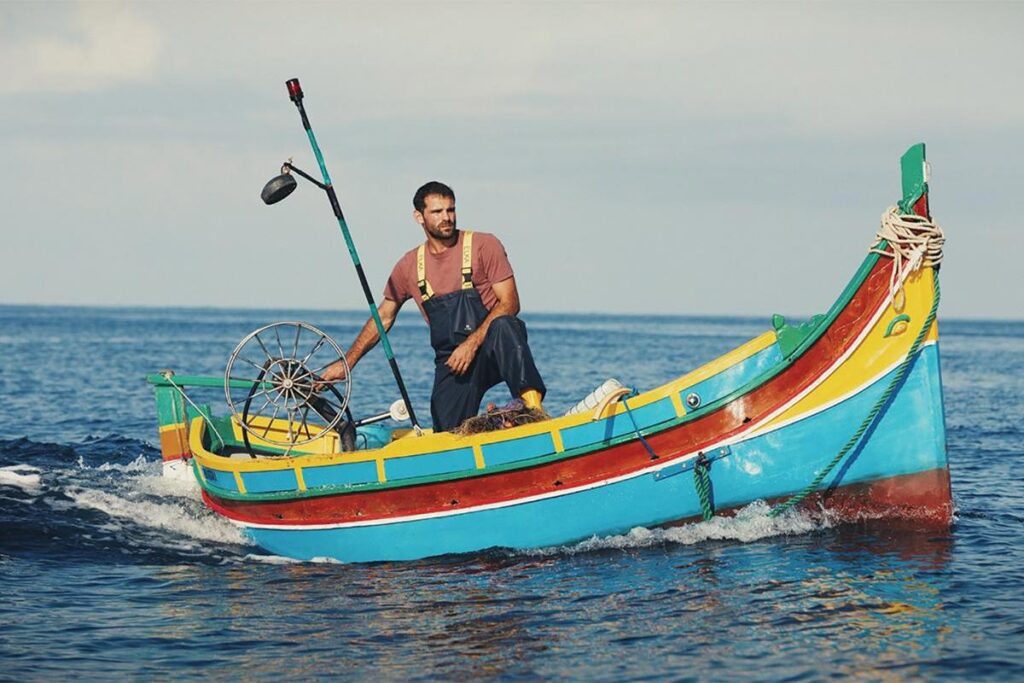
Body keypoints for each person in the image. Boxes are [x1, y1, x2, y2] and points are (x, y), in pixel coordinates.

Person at [320, 181, 546, 432]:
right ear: (419, 216)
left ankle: (534, 413)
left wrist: (471, 344)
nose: (446, 218)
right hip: (453, 362)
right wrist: (347, 363)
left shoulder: (484, 245)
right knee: (448, 432)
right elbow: (383, 317)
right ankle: (495, 422)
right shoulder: (409, 265)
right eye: (437, 212)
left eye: (451, 210)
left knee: (506, 326)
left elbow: (510, 303)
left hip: (492, 347)